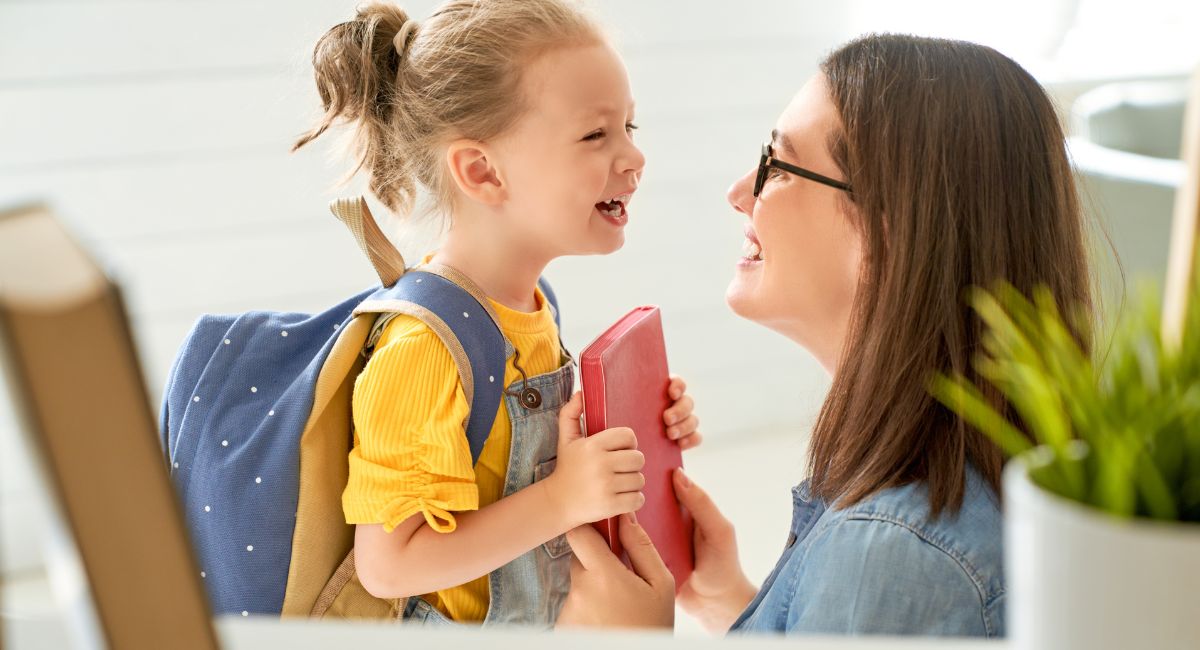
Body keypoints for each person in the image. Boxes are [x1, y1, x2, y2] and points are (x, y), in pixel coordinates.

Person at [557, 33, 1094, 638]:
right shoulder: (924, 514)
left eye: (777, 167)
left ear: (886, 236)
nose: (739, 195)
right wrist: (727, 600)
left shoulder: (892, 555)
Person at [292, 0, 701, 626]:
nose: (633, 158)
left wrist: (631, 432)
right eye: (596, 134)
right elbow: (390, 565)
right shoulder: (422, 348)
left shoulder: (533, 306)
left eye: (630, 129)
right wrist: (563, 497)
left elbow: (503, 470)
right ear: (482, 170)